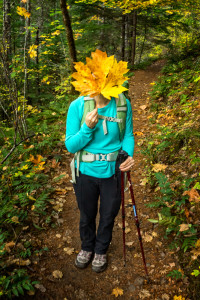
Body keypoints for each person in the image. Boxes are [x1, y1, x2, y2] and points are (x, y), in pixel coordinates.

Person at [65, 49, 134, 273]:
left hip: (113, 170)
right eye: (95, 78)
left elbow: (128, 136)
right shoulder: (77, 106)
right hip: (85, 169)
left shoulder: (123, 105)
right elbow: (70, 146)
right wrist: (87, 128)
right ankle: (87, 247)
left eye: (106, 78)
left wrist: (129, 155)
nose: (100, 83)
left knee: (108, 214)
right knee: (86, 214)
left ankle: (101, 249)